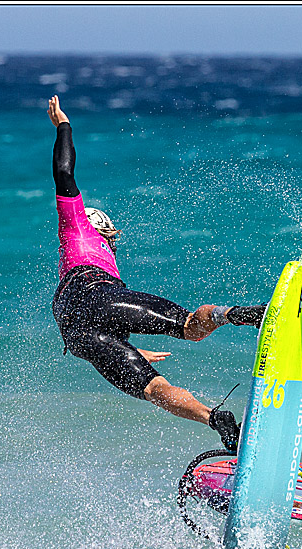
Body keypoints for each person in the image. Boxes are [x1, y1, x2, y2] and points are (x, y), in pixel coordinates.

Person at [47, 95, 262, 452]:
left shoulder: (66, 264)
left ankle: (217, 420)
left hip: (77, 333)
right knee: (191, 326)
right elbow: (64, 173)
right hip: (98, 296)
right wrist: (63, 126)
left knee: (153, 389)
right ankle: (241, 315)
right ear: (105, 232)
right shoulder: (78, 228)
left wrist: (125, 347)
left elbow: (87, 323)